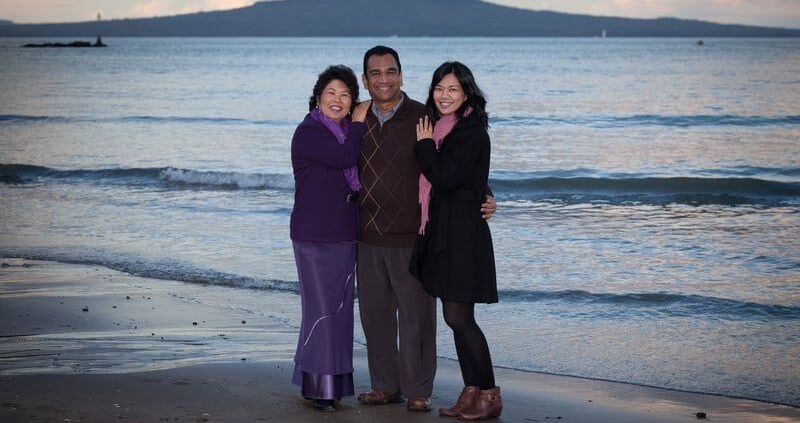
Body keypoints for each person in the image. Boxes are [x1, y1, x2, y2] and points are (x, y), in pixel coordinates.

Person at [355, 46, 497, 413]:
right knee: (375, 317)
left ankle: (419, 389)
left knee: (418, 319)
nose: (383, 78)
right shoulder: (356, 118)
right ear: (365, 79)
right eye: (375, 72)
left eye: (391, 71)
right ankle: (385, 386)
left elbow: (459, 163)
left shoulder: (424, 117)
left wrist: (487, 194)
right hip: (367, 232)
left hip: (413, 234)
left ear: (402, 76)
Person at [413, 61, 502, 420]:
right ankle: (472, 391)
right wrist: (487, 192)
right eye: (439, 88)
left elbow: (445, 176)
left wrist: (422, 147)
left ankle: (490, 397)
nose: (444, 95)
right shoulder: (442, 128)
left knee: (460, 316)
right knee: (456, 318)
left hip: (463, 234)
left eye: (452, 89)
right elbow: (472, 178)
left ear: (466, 93)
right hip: (447, 229)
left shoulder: (470, 132)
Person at [289, 65, 371, 412]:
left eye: (345, 94)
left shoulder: (345, 132)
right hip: (313, 236)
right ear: (318, 96)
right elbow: (344, 158)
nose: (338, 100)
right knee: (320, 309)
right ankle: (320, 386)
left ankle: (325, 382)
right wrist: (357, 124)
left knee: (339, 311)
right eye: (331, 93)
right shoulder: (310, 131)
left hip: (344, 232)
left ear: (353, 100)